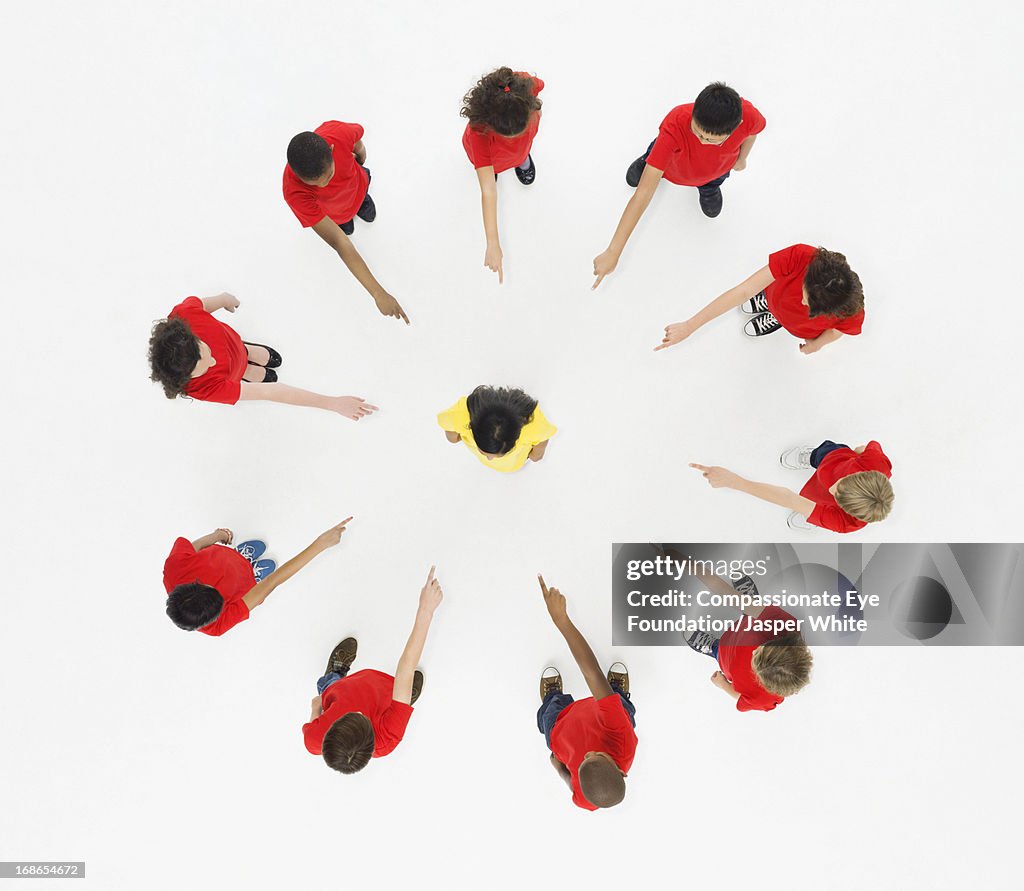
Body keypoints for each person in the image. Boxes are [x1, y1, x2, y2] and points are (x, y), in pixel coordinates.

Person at [593, 82, 765, 289]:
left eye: (711, 139)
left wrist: (742, 158)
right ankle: (647, 162)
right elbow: (643, 194)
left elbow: (753, 133)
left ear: (736, 126)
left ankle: (708, 187)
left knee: (711, 184)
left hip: (715, 172)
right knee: (650, 163)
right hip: (671, 168)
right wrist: (613, 251)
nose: (702, 141)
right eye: (698, 133)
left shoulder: (750, 116)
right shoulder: (675, 122)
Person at [302, 566, 444, 774]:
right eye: (359, 715)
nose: (355, 710)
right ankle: (402, 698)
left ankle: (334, 675)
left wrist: (317, 708)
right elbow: (406, 667)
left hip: (341, 689)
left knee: (330, 686)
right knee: (400, 692)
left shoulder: (314, 740)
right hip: (382, 692)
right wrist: (426, 610)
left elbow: (316, 705)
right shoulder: (388, 737)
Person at [148, 292, 377, 419]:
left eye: (204, 350)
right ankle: (245, 368)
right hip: (232, 373)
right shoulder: (203, 389)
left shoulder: (183, 314)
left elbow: (203, 304)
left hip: (235, 343)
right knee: (241, 370)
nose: (213, 360)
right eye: (205, 366)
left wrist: (224, 299)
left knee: (241, 351)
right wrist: (331, 403)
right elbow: (271, 392)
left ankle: (247, 352)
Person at [284, 122, 409, 323]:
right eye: (316, 184)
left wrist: (360, 159)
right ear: (298, 177)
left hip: (359, 189)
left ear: (332, 150)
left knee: (362, 202)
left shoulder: (337, 133)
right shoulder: (294, 193)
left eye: (329, 175)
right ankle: (348, 219)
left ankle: (360, 204)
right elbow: (340, 243)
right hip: (336, 215)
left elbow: (358, 144)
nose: (325, 185)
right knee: (346, 230)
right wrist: (377, 293)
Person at [537, 575, 637, 811]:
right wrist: (562, 620)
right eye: (596, 755)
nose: (588, 752)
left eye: (582, 762)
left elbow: (572, 787)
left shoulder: (586, 799)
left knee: (551, 710)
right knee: (621, 708)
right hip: (605, 715)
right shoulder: (621, 737)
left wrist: (560, 768)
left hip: (560, 728)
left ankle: (552, 696)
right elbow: (592, 674)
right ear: (620, 770)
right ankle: (616, 693)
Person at [655, 245, 864, 352]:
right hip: (775, 295)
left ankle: (778, 319)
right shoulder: (799, 255)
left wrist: (818, 344)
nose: (801, 303)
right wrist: (690, 325)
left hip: (797, 325)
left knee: (785, 314)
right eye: (805, 296)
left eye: (808, 305)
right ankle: (771, 307)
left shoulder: (851, 310)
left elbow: (837, 331)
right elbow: (745, 290)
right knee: (776, 302)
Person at [163, 519, 352, 636]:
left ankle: (242, 556)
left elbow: (195, 546)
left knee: (234, 562)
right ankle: (252, 573)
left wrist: (218, 534)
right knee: (257, 581)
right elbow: (272, 581)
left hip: (225, 559)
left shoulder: (174, 566)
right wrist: (321, 544)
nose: (215, 586)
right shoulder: (218, 626)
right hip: (245, 586)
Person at [690, 440, 894, 532]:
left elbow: (788, 498)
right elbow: (867, 447)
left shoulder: (843, 522)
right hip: (831, 458)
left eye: (838, 495)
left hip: (820, 501)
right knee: (823, 452)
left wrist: (735, 482)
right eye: (841, 483)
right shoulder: (877, 463)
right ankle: (812, 457)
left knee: (810, 506)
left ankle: (814, 517)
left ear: (846, 510)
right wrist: (859, 451)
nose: (832, 488)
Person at [683, 570, 813, 713]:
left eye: (756, 660)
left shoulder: (764, 699)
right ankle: (751, 602)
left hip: (727, 656)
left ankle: (713, 647)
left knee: (720, 652)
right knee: (753, 611)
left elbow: (742, 700)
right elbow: (763, 611)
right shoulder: (787, 624)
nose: (753, 652)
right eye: (759, 652)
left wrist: (724, 685)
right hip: (750, 624)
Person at [461, 67, 544, 283]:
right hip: (492, 159)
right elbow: (489, 191)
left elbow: (539, 87)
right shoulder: (479, 133)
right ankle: (497, 170)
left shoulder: (525, 86)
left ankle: (522, 159)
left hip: (519, 151)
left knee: (521, 152)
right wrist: (492, 242)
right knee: (490, 173)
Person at [437, 386, 556, 472]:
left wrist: (536, 456)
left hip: (514, 467)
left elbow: (542, 441)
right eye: (483, 451)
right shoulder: (461, 415)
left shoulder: (533, 425)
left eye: (501, 454)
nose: (490, 459)